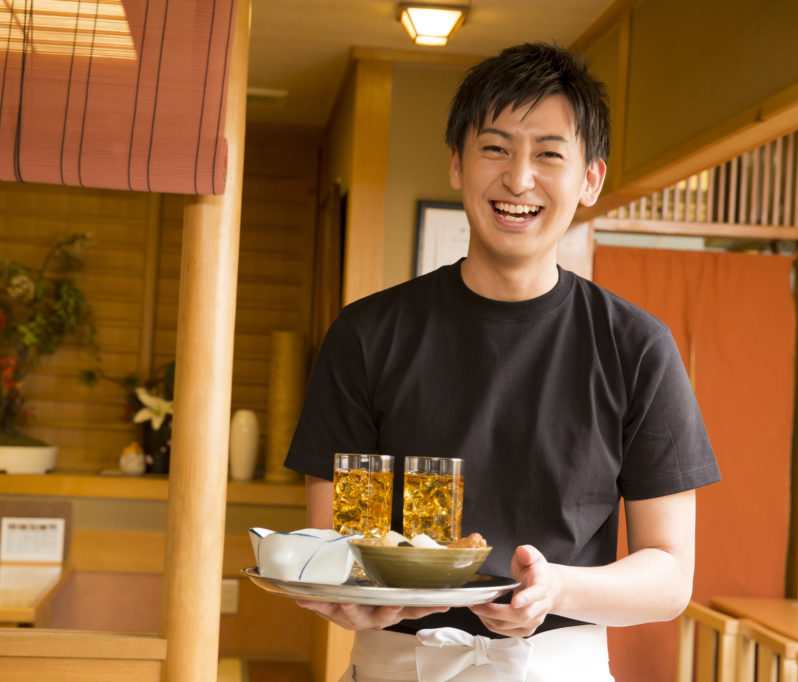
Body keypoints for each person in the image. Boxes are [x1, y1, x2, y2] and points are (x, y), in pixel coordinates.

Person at [284, 42, 720, 682]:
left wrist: (556, 590)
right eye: (495, 148)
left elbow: (669, 575)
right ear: (458, 163)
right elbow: (334, 544)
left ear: (590, 178)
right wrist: (354, 596)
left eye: (549, 153)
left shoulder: (637, 347)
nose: (519, 179)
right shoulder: (366, 333)